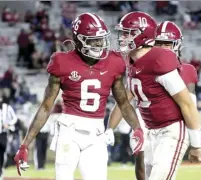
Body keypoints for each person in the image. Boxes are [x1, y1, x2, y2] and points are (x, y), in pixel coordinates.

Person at [14, 13, 144, 180]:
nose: (99, 44)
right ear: (77, 40)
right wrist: (24, 145)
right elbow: (46, 107)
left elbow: (124, 104)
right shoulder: (61, 62)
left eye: (101, 39)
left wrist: (138, 128)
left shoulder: (114, 61)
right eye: (93, 40)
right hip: (69, 131)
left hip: (96, 133)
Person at [107, 12, 201, 180]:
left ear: (143, 35)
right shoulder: (131, 61)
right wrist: (109, 129)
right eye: (123, 32)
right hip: (150, 131)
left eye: (128, 32)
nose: (123, 37)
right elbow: (123, 102)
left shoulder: (160, 60)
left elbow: (188, 105)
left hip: (171, 130)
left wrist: (196, 144)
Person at [0, 92, 17, 179]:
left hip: (3, 133)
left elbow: (14, 118)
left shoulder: (7, 107)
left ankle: (1, 170)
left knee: (2, 153)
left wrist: (8, 123)